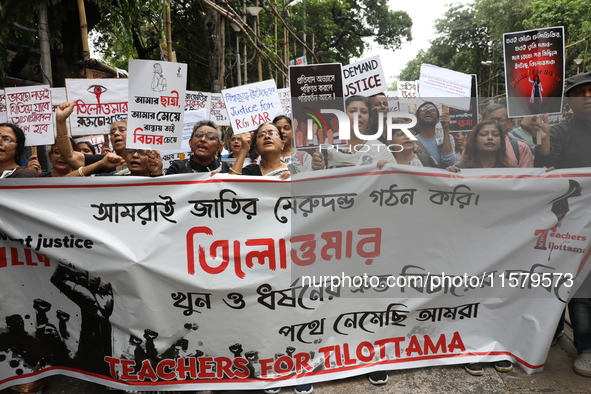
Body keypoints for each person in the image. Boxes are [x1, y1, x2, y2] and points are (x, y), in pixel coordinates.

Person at [534, 71, 591, 377]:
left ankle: (585, 346)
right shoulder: (559, 131)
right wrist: (543, 143)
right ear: (570, 100)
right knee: (564, 280)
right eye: (580, 94)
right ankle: (553, 332)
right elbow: (544, 167)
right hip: (569, 222)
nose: (587, 98)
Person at [312, 96, 395, 169]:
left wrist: (389, 169)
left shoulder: (380, 149)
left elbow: (396, 179)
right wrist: (317, 169)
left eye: (364, 112)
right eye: (352, 111)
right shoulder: (325, 146)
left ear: (369, 118)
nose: (358, 114)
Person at [55, 101, 129, 175]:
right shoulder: (104, 161)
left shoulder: (140, 163)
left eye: (122, 130)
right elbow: (69, 156)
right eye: (112, 132)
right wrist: (61, 121)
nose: (116, 133)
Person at [165, 120, 231, 175]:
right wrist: (157, 173)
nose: (203, 139)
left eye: (210, 137)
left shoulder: (228, 169)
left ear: (218, 147)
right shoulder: (177, 168)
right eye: (199, 135)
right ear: (190, 142)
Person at [481, 103, 534, 168]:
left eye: (501, 120)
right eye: (491, 120)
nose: (496, 123)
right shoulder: (472, 147)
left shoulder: (521, 148)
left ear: (509, 124)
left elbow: (527, 176)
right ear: (481, 123)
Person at [447, 120, 512, 171]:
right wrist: (449, 176)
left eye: (495, 135)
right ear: (475, 141)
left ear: (501, 142)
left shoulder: (512, 172)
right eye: (484, 134)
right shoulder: (460, 169)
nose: (490, 137)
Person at [413, 101, 455, 169]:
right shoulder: (411, 141)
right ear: (417, 120)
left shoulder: (448, 138)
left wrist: (446, 129)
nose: (428, 111)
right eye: (423, 109)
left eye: (432, 109)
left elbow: (449, 162)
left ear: (438, 120)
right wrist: (412, 155)